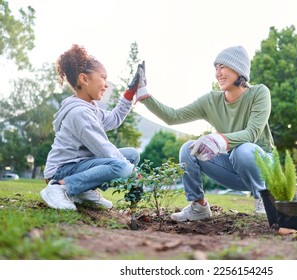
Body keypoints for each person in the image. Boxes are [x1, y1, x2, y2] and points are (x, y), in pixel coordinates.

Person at [133, 45, 274, 222]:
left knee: (243, 150)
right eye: (216, 68)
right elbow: (173, 116)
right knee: (188, 149)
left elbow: (252, 133)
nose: (218, 73)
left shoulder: (259, 93)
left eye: (222, 67)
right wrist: (145, 96)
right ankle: (199, 206)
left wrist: (218, 140)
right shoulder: (211, 101)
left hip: (264, 167)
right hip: (234, 169)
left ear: (238, 70)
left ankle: (265, 199)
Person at [40, 44, 140, 211]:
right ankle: (58, 188)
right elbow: (103, 148)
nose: (106, 84)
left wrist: (130, 93)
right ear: (84, 79)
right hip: (60, 172)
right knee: (123, 166)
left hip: (78, 165)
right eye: (103, 77)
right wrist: (132, 172)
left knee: (132, 155)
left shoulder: (91, 108)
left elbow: (114, 119)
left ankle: (82, 191)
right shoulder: (79, 113)